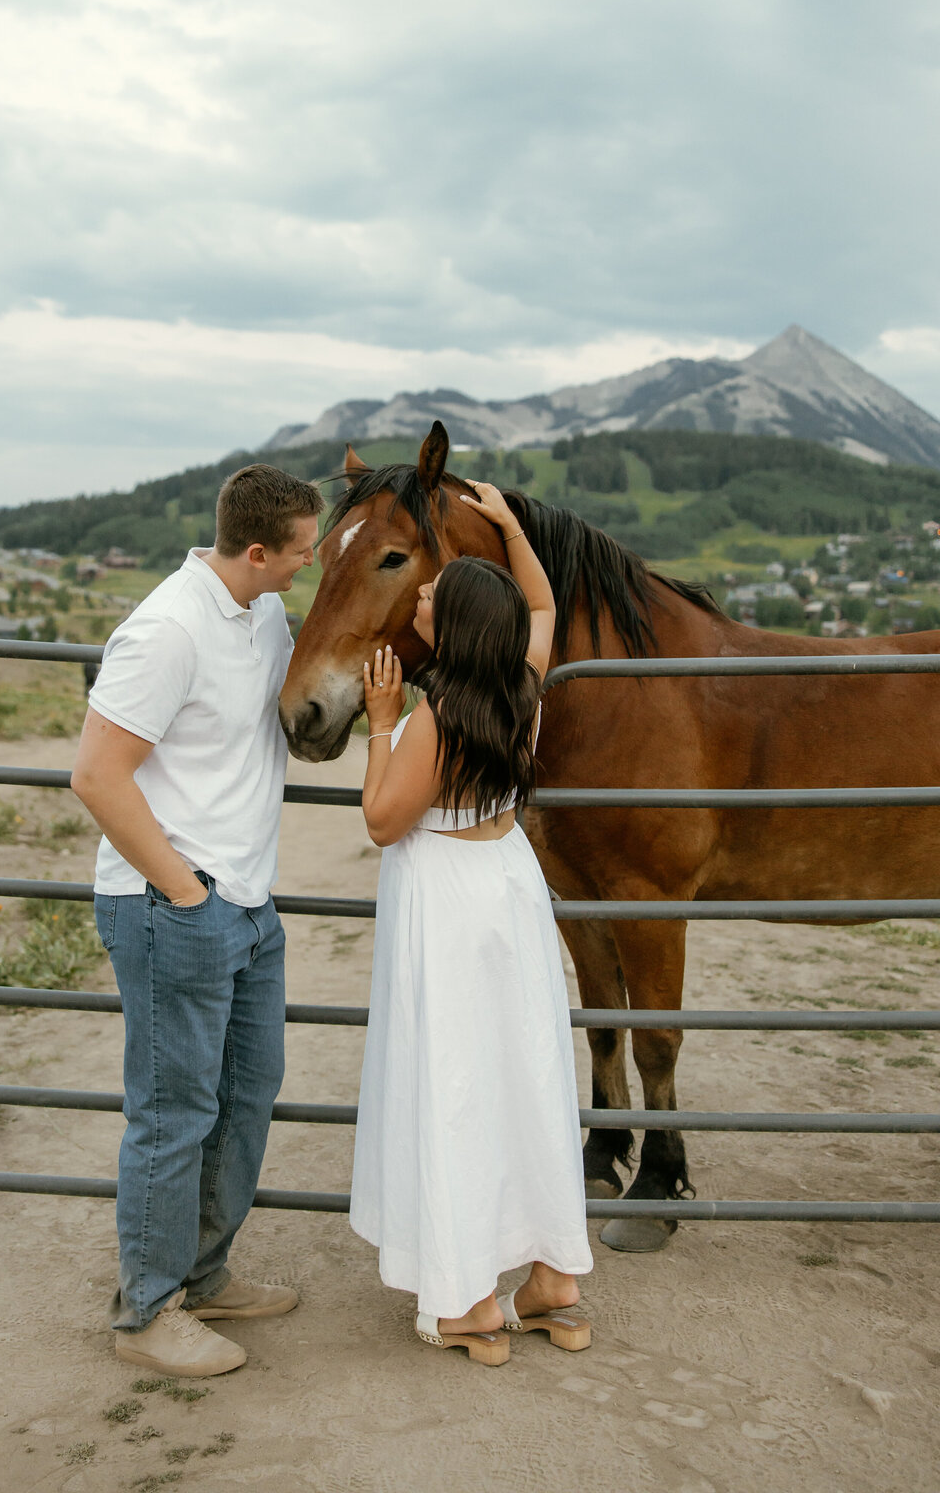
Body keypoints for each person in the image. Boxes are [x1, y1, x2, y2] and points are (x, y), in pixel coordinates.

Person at [71, 463, 323, 1377]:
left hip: (247, 908)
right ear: (257, 551)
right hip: (170, 904)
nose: (309, 564)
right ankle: (146, 1314)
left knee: (244, 1101)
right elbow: (97, 775)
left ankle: (203, 1274)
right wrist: (186, 893)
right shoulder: (167, 629)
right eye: (301, 552)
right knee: (174, 1113)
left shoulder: (261, 613)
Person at [349, 480, 593, 1365]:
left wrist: (380, 725)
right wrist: (510, 528)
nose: (419, 595)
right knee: (524, 1073)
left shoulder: (435, 715)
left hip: (447, 901)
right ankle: (555, 1284)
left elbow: (383, 821)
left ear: (449, 630)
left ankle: (468, 1306)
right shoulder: (524, 686)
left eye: (430, 597)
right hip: (510, 887)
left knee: (455, 1082)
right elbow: (541, 599)